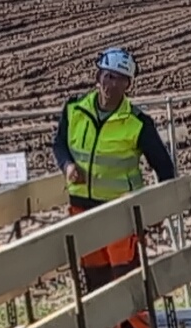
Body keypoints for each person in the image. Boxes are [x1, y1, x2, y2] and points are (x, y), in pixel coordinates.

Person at [55, 46, 175, 294]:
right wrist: (67, 166)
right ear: (98, 77)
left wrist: (157, 210)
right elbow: (59, 144)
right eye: (107, 76)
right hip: (82, 209)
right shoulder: (74, 109)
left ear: (128, 85)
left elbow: (164, 168)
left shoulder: (137, 122)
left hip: (121, 213)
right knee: (95, 279)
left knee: (126, 278)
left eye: (119, 79)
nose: (111, 84)